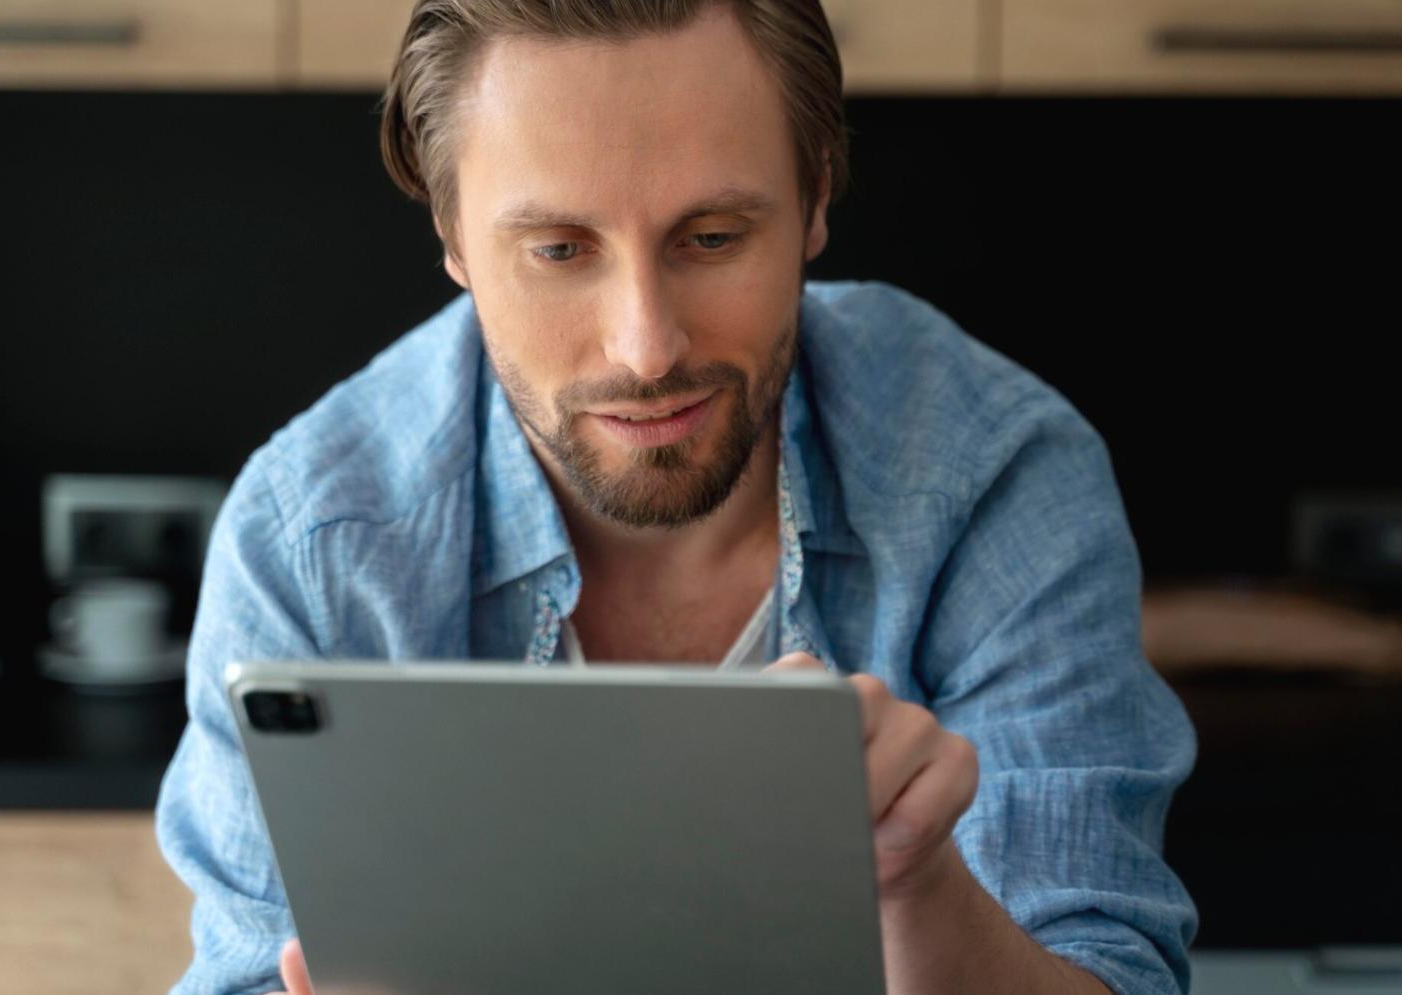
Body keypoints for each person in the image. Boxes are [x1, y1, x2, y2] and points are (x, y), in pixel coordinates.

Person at [154, 1, 1198, 992]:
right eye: (559, 250)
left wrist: (915, 880)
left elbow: (1103, 969)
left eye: (710, 238)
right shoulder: (312, 537)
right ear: (454, 240)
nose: (645, 347)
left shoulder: (992, 475)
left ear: (816, 199)